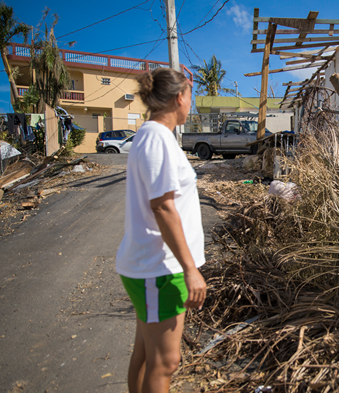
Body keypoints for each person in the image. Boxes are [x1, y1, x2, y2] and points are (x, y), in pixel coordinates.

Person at [116, 67, 206, 393]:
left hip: (154, 269)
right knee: (165, 363)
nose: (190, 105)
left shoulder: (153, 136)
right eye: (190, 98)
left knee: (145, 355)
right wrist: (191, 269)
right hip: (159, 270)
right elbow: (163, 207)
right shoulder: (157, 139)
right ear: (179, 97)